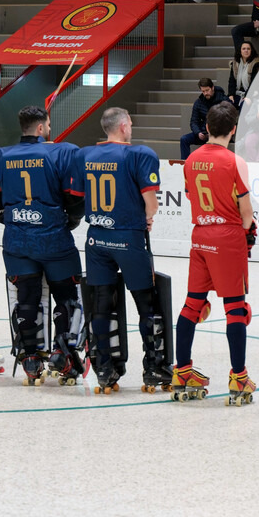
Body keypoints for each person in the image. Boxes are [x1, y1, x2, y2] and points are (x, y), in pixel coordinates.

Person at [0, 106, 89, 386]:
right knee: (68, 298)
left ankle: (30, 358)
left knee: (27, 298)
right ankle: (63, 355)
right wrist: (71, 222)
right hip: (55, 239)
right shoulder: (64, 151)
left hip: (17, 241)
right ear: (41, 128)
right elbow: (76, 199)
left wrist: (15, 222)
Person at [68, 107, 165, 394]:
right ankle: (154, 368)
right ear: (123, 126)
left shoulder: (84, 155)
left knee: (101, 305)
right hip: (129, 238)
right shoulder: (139, 154)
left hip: (97, 239)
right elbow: (152, 203)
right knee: (147, 304)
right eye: (131, 123)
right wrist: (148, 217)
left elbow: (78, 197)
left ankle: (104, 369)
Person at [173, 102, 257, 403]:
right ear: (233, 130)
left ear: (206, 128)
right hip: (227, 236)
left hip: (200, 236)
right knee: (236, 308)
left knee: (192, 304)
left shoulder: (191, 159)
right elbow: (246, 214)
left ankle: (181, 370)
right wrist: (248, 230)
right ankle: (239, 377)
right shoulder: (235, 162)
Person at [180, 78, 226, 158]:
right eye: (203, 91)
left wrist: (213, 133)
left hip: (217, 134)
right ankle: (185, 165)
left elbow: (226, 120)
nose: (205, 93)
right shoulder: (199, 102)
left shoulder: (223, 100)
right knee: (184, 139)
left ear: (212, 88)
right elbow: (194, 121)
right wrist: (198, 132)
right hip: (203, 131)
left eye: (207, 90)